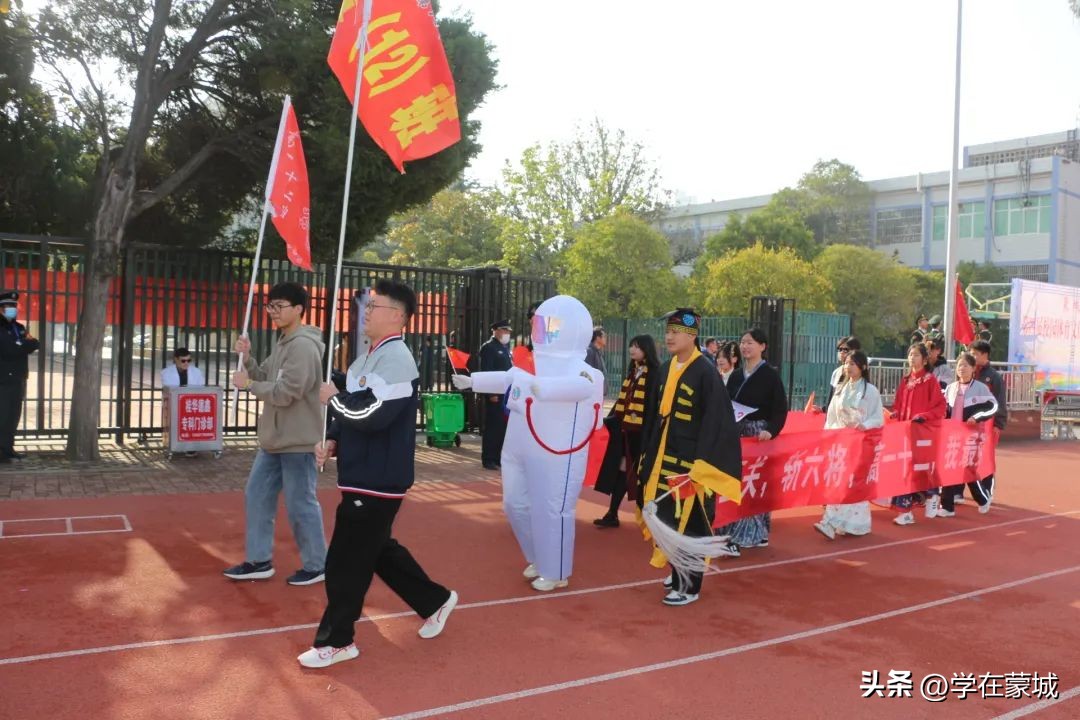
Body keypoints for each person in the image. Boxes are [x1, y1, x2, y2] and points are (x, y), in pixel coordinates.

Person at [298, 279, 457, 669]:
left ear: (399, 316)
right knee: (375, 549)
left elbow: (372, 416)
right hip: (361, 473)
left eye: (375, 306)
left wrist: (335, 400)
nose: (366, 312)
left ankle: (338, 640)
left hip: (378, 479)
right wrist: (333, 439)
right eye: (366, 305)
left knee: (345, 562)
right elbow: (353, 412)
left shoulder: (398, 360)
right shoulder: (366, 357)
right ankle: (434, 600)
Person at [451, 295, 604, 592]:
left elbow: (582, 387)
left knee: (552, 509)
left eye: (551, 326)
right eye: (541, 325)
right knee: (514, 504)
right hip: (520, 444)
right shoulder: (531, 364)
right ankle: (540, 557)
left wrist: (542, 387)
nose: (544, 332)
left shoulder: (584, 370)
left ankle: (556, 570)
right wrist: (474, 382)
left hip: (557, 449)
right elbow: (509, 378)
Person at [223, 282, 327, 586]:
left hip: (297, 440)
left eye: (279, 306)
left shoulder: (304, 346)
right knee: (257, 495)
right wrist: (248, 358)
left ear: (298, 309)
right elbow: (264, 375)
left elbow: (286, 392)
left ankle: (317, 564)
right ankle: (258, 560)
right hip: (273, 440)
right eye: (270, 306)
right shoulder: (284, 342)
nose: (273, 312)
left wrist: (248, 385)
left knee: (300, 504)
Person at [637, 308, 742, 606]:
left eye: (675, 332)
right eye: (667, 331)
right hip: (664, 457)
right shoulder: (668, 367)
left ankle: (690, 585)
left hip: (691, 464)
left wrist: (702, 464)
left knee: (691, 522)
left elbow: (716, 422)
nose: (669, 337)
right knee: (667, 519)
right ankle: (677, 569)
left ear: (692, 336)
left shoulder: (705, 371)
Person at [715, 328, 788, 555]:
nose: (745, 346)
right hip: (738, 434)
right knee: (736, 480)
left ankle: (751, 534)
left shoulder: (770, 375)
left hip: (759, 435)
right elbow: (727, 402)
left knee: (754, 483)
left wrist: (771, 430)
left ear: (762, 347)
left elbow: (780, 409)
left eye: (751, 343)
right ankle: (736, 530)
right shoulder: (736, 375)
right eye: (743, 342)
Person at [813, 350, 885, 540]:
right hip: (840, 443)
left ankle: (831, 522)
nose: (848, 367)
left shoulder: (870, 391)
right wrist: (829, 434)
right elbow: (831, 417)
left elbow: (878, 418)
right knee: (838, 481)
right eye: (846, 363)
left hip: (860, 443)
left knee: (852, 483)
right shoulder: (840, 389)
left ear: (862, 367)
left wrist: (864, 425)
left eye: (852, 363)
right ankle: (850, 523)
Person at [593, 334, 659, 528]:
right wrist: (611, 420)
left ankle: (650, 518)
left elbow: (654, 407)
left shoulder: (655, 373)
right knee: (622, 470)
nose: (632, 350)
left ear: (646, 349)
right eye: (631, 346)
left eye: (637, 347)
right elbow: (624, 402)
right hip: (626, 432)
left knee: (642, 474)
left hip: (642, 434)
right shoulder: (633, 371)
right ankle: (613, 513)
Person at [889, 343, 947, 525]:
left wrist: (924, 416)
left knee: (924, 468)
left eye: (915, 355)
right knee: (905, 470)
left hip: (923, 434)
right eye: (910, 354)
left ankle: (932, 494)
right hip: (905, 433)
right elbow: (898, 404)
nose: (912, 358)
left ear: (924, 358)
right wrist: (895, 413)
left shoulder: (930, 380)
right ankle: (905, 511)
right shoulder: (905, 381)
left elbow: (941, 406)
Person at [936, 352, 999, 518]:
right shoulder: (951, 388)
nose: (961, 369)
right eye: (959, 366)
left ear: (973, 369)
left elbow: (993, 406)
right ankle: (947, 506)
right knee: (949, 469)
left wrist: (976, 417)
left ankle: (983, 498)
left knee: (967, 470)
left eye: (965, 365)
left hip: (971, 436)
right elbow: (944, 408)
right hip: (952, 436)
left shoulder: (980, 388)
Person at [0, 291, 39, 462]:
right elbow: (9, 350)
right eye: (9, 306)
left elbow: (34, 342)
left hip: (18, 378)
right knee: (2, 416)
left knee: (13, 416)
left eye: (15, 306)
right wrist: (24, 345)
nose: (13, 309)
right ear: (1, 308)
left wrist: (22, 345)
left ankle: (8, 449)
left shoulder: (19, 327)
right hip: (2, 380)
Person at [971, 339, 1007, 500]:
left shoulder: (994, 377)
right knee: (968, 455)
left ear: (984, 355)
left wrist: (998, 424)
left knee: (986, 458)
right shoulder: (969, 372)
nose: (972, 357)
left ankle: (987, 490)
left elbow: (999, 401)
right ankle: (958, 491)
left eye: (975, 354)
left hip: (989, 426)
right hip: (971, 424)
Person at [479, 320, 513, 470]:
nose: (507, 333)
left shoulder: (504, 348)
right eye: (504, 330)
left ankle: (498, 457)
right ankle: (489, 458)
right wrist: (490, 392)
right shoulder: (489, 348)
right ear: (495, 330)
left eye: (508, 331)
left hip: (505, 393)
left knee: (502, 427)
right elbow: (487, 371)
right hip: (495, 393)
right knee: (493, 427)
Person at [823, 337, 861, 409]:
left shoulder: (859, 372)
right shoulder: (836, 372)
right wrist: (823, 409)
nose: (842, 352)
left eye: (846, 349)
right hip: (835, 416)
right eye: (840, 349)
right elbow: (832, 399)